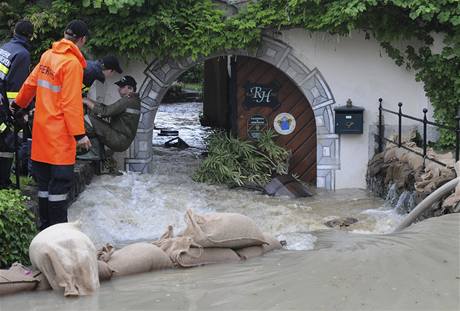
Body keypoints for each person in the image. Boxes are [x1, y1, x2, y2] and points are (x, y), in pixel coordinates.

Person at [12, 20, 91, 230]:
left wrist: (17, 105)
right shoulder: (72, 64)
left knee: (44, 186)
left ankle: (45, 230)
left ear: (65, 34)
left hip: (41, 134)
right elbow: (71, 103)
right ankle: (59, 233)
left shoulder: (48, 56)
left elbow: (30, 83)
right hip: (60, 138)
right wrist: (79, 135)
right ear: (82, 40)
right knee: (60, 186)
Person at [0, 20, 34, 189]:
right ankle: (3, 183)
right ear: (30, 36)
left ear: (15, 32)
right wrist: (19, 112)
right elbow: (16, 88)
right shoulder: (22, 54)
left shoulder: (6, 47)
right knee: (7, 141)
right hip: (4, 106)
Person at [79, 75, 141, 160]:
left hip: (118, 139)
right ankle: (98, 152)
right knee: (93, 115)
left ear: (130, 88)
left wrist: (85, 101)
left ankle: (94, 152)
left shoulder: (127, 100)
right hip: (122, 140)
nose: (119, 89)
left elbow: (105, 112)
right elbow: (109, 108)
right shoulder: (134, 101)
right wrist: (89, 101)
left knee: (86, 119)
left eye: (122, 87)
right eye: (119, 86)